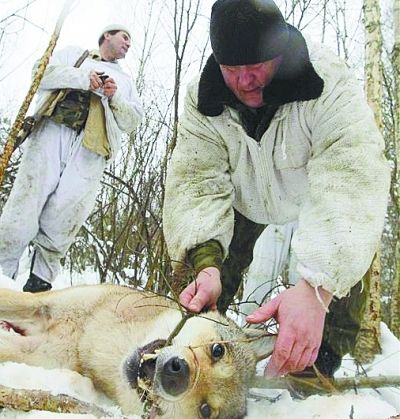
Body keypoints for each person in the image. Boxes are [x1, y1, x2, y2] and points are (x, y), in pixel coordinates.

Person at [163, 0, 390, 379]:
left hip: (312, 195)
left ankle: (318, 365)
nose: (244, 81)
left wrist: (317, 289)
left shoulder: (328, 82)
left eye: (256, 66)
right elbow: (197, 180)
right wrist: (206, 263)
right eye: (232, 69)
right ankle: (191, 356)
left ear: (280, 54)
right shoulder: (202, 100)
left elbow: (350, 178)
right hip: (243, 198)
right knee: (198, 283)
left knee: (344, 261)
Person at [0, 24, 143, 292]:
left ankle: (39, 286)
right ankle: (1, 274)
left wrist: (114, 97)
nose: (128, 43)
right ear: (107, 35)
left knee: (65, 215)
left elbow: (132, 121)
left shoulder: (126, 82)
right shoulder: (74, 55)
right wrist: (82, 78)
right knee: (25, 203)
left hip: (91, 149)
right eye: (125, 36)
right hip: (51, 134)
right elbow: (39, 75)